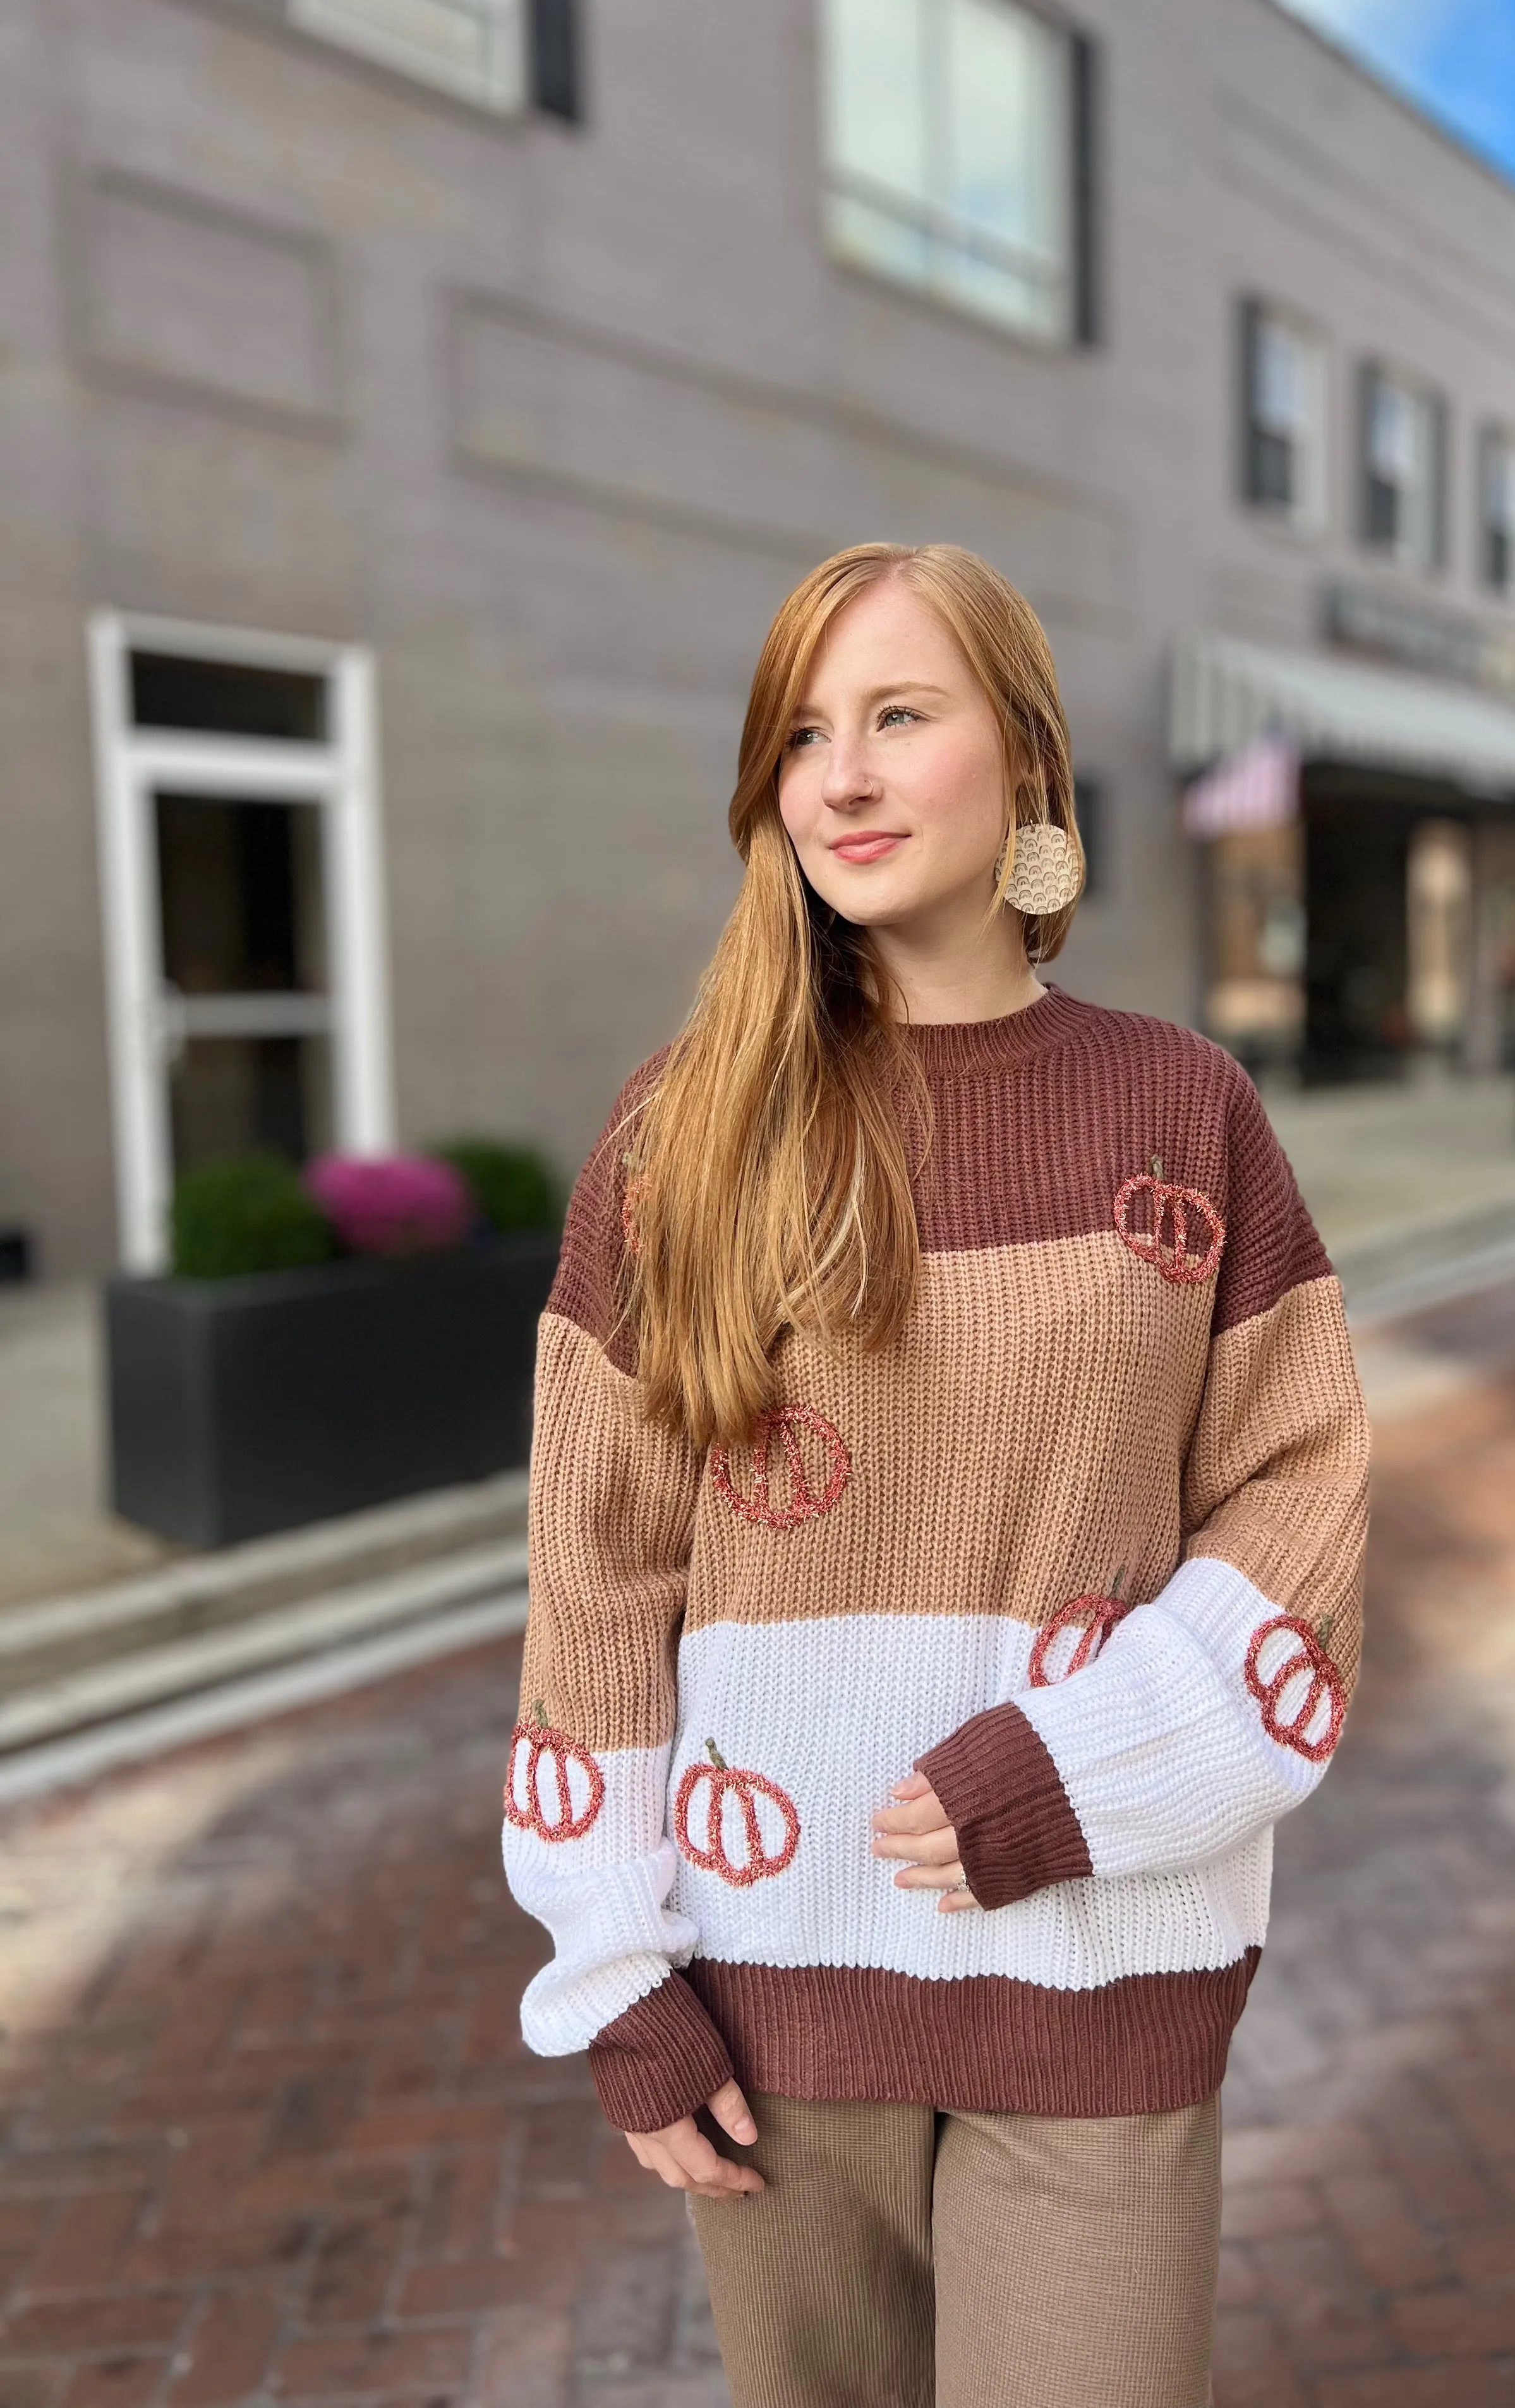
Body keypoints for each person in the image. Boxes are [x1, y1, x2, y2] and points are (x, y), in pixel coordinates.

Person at [502, 541, 1370, 2407]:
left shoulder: (1182, 1107)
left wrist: (1069, 1767)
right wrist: (613, 1969)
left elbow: (1297, 1508)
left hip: (1100, 1964)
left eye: (900, 714)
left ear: (1029, 760)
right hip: (770, 1994)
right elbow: (595, 1572)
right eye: (803, 734)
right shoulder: (684, 1132)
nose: (844, 776)